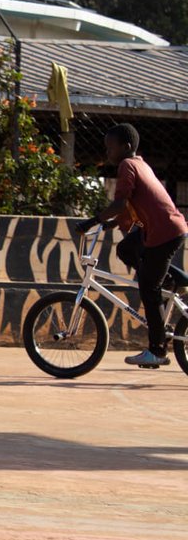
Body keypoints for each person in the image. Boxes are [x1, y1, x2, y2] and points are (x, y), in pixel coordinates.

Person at [75, 124, 188, 367]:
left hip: (163, 231)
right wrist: (110, 225)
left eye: (110, 147)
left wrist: (93, 221)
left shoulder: (127, 165)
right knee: (126, 249)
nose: (107, 153)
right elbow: (130, 209)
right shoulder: (139, 163)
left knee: (149, 288)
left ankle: (157, 351)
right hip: (163, 228)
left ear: (125, 147)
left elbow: (120, 204)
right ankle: (172, 280)